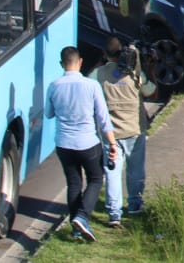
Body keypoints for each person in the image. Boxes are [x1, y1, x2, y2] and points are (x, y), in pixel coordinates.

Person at [45, 45, 118, 242]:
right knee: (95, 178)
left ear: (62, 64)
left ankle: (76, 229)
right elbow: (103, 118)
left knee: (74, 183)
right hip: (87, 143)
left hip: (63, 144)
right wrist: (112, 144)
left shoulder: (54, 86)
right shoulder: (91, 86)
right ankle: (82, 217)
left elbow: (49, 113)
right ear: (80, 62)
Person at [91, 38, 154, 228]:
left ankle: (114, 213)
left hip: (110, 133)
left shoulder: (98, 74)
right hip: (134, 129)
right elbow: (150, 90)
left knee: (112, 173)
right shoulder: (135, 74)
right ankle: (135, 204)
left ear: (105, 54)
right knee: (135, 171)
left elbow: (88, 88)